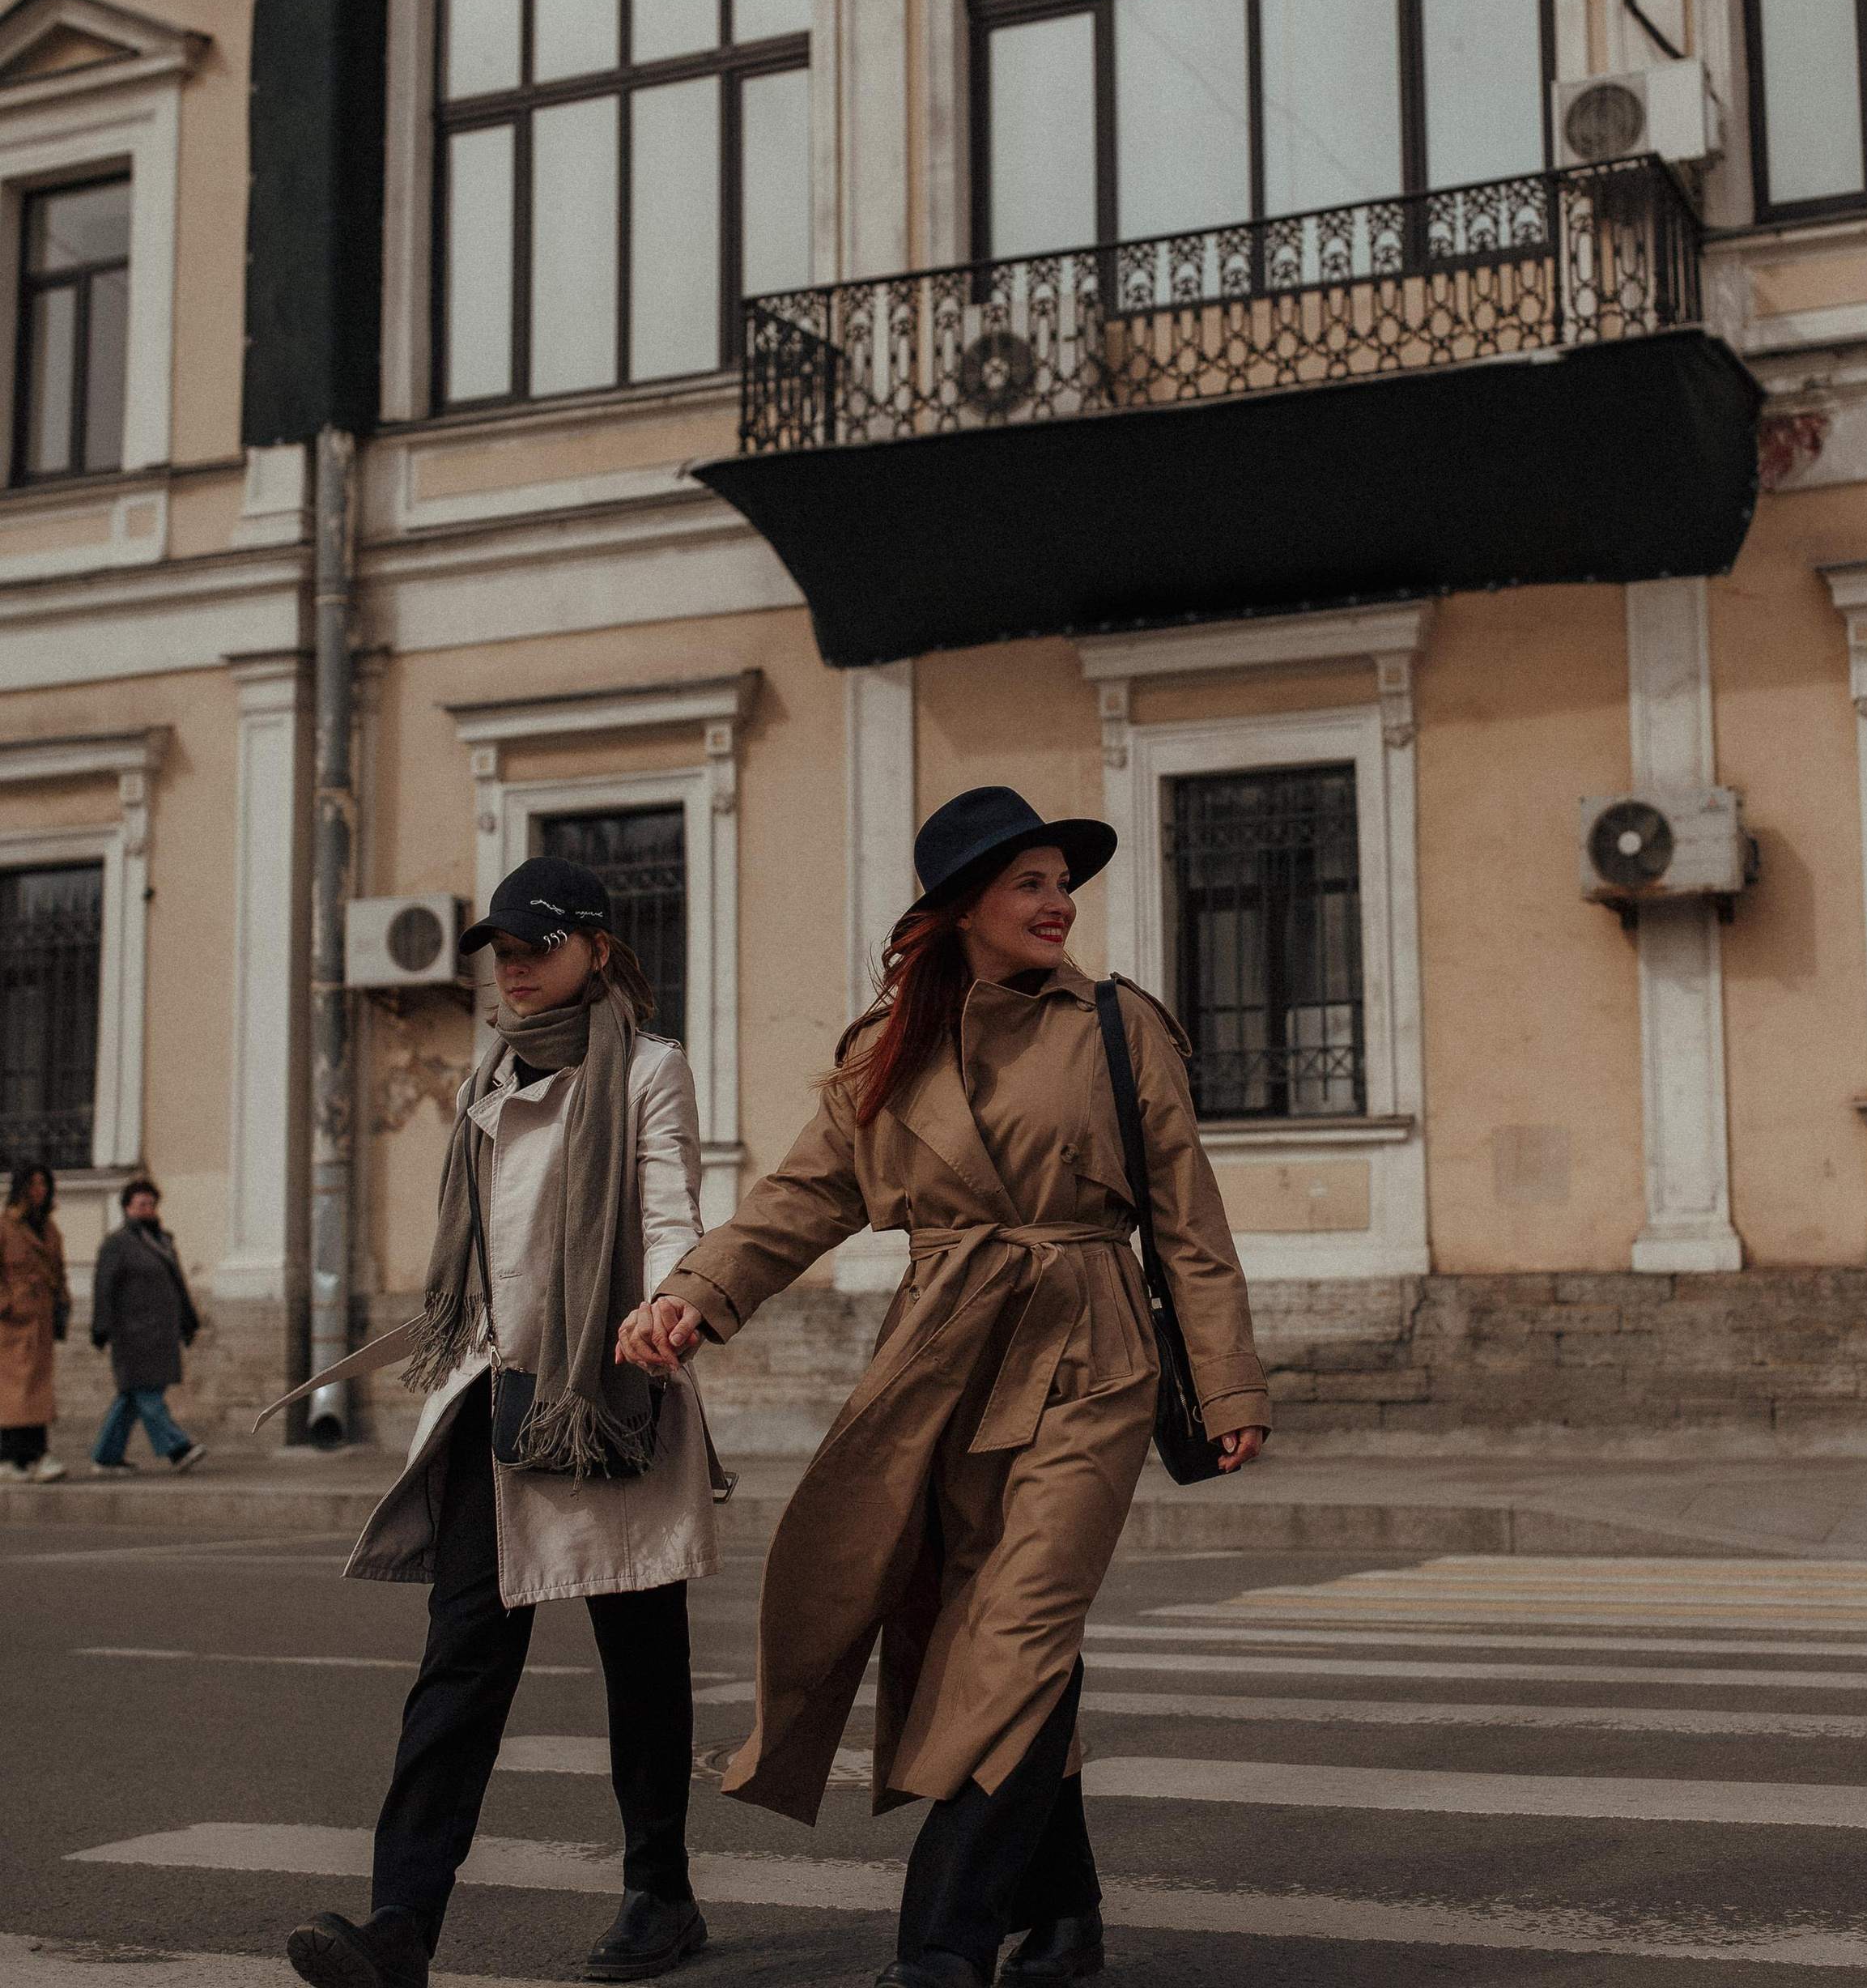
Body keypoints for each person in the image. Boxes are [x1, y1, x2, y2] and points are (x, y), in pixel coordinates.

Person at [619, 785, 1273, 1988]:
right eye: (1029, 883)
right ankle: (1065, 1919)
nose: (1058, 904)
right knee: (1010, 1637)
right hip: (945, 1361)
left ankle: (944, 1947)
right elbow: (805, 1195)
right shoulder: (888, 1047)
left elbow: (1190, 1220)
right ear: (963, 905)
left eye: (1061, 883)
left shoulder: (1121, 1027)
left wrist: (1228, 1384)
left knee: (1016, 1631)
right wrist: (694, 1293)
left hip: (1092, 1349)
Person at [285, 855, 716, 1988]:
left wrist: (670, 1304)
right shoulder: (486, 1076)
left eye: (536, 944)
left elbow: (669, 1207)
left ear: (597, 947)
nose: (513, 965)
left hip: (608, 1395)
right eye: (501, 950)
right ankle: (400, 1930)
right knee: (461, 1662)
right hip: (499, 1403)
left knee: (642, 1665)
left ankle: (659, 1893)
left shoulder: (648, 1072)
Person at [90, 1176, 206, 1476]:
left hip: (160, 1333)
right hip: (132, 1334)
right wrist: (101, 1327)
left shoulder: (162, 1240)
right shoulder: (117, 1244)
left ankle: (106, 1458)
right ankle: (178, 1448)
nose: (148, 1209)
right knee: (148, 1395)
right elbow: (104, 1287)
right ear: (127, 1207)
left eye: (151, 1204)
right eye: (141, 1204)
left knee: (131, 1397)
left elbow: (177, 1283)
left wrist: (188, 1320)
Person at [0, 1162, 68, 1484]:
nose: (39, 1189)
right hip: (12, 1325)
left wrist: (64, 1304)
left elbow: (58, 1270)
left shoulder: (49, 1228)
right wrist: (6, 1305)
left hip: (41, 1319)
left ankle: (34, 1455)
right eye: (33, 1183)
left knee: (38, 1391)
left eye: (44, 1183)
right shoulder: (6, 1226)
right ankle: (13, 1457)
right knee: (15, 1393)